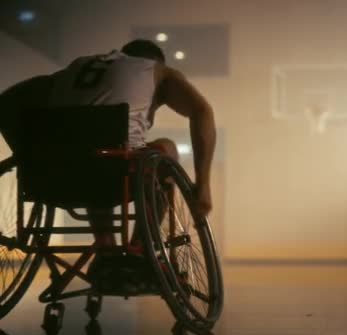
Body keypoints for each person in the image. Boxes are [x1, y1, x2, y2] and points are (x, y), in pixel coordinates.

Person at [0, 39, 216, 290]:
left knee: (96, 155)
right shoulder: (158, 71)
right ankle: (141, 251)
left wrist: (28, 154)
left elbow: (5, 104)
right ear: (153, 61)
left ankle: (107, 251)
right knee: (161, 148)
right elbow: (202, 112)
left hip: (54, 178)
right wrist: (203, 183)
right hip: (115, 176)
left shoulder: (72, 70)